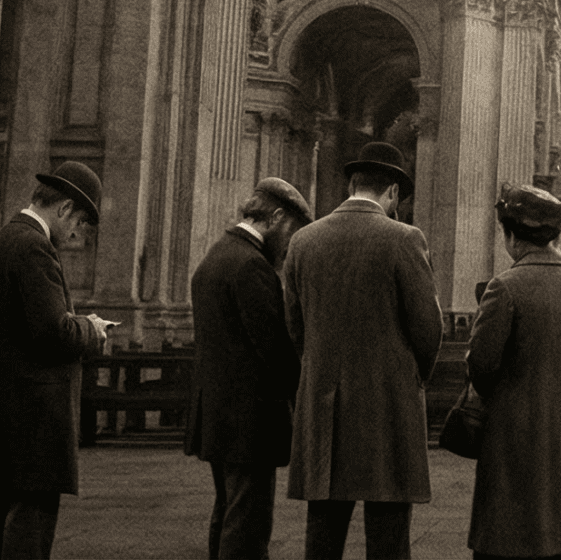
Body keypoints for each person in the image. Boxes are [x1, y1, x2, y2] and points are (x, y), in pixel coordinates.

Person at [283, 141, 443, 560]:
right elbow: (428, 329)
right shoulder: (404, 239)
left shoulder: (303, 240)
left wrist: (320, 367)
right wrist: (410, 377)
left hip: (323, 404)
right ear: (392, 191)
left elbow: (295, 326)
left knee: (323, 529)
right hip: (387, 405)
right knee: (388, 533)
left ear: (352, 184)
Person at [0, 161, 117, 560]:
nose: (76, 232)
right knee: (32, 518)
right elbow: (53, 331)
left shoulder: (2, 239)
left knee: (6, 511)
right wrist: (92, 329)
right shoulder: (34, 246)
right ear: (64, 209)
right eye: (79, 222)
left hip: (6, 402)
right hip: (34, 411)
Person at [467, 186, 561, 560]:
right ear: (556, 235)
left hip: (515, 432)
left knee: (511, 529)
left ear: (510, 236)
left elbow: (481, 364)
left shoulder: (505, 287)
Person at [187, 176, 315, 560]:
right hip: (248, 421)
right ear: (276, 217)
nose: (290, 243)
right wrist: (303, 390)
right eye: (291, 231)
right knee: (247, 524)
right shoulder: (251, 266)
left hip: (218, 416)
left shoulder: (217, 255)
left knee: (227, 513)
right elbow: (273, 349)